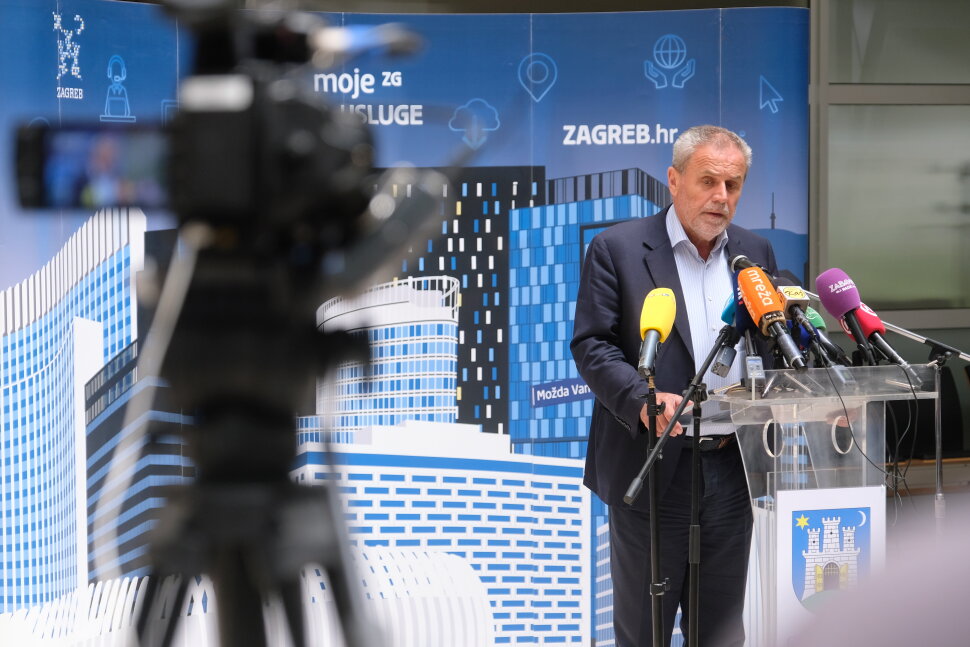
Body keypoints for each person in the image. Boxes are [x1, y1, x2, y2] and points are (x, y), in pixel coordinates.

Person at [570, 125, 779, 647]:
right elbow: (593, 345)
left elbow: (771, 345)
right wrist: (640, 401)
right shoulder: (617, 248)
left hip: (732, 468)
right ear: (674, 179)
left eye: (733, 185)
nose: (721, 197)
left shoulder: (754, 252)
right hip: (651, 464)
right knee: (645, 632)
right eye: (708, 181)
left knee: (721, 632)